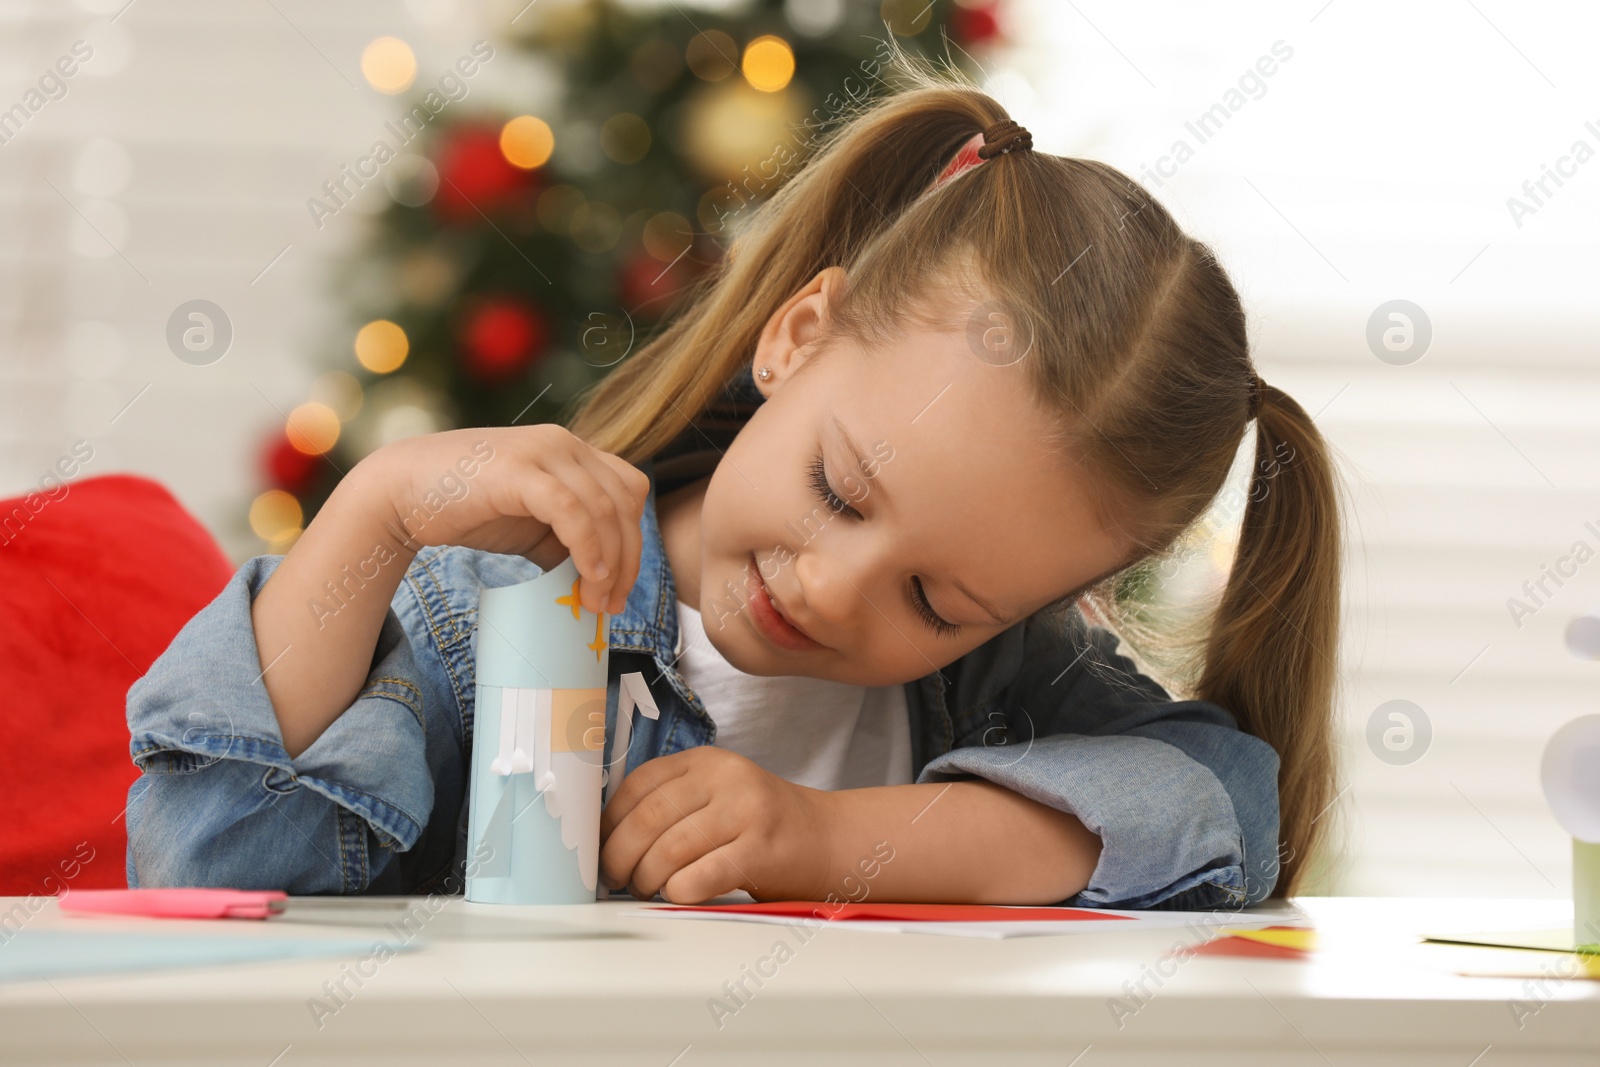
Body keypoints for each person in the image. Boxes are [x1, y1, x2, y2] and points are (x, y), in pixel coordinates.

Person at [125, 70, 1343, 910]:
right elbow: (211, 863)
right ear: (798, 334)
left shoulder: (999, 682)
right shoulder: (499, 603)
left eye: (935, 598)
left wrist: (821, 841)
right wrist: (378, 506)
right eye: (841, 489)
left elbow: (1213, 802)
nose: (831, 585)